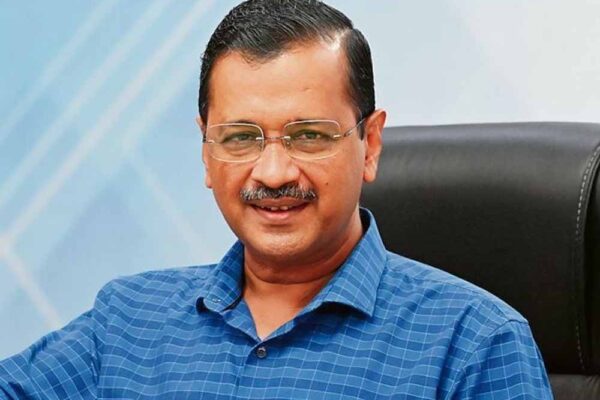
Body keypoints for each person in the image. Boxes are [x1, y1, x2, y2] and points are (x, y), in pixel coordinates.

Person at [0, 0, 553, 398]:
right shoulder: (128, 319)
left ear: (370, 143)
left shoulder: (474, 344)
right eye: (240, 138)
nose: (272, 172)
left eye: (308, 135)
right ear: (205, 151)